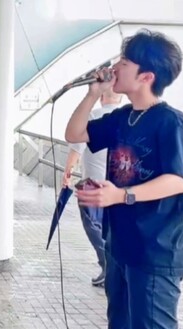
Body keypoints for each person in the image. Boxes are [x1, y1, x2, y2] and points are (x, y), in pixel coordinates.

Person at [65, 30, 183, 329]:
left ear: (147, 76)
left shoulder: (171, 122)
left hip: (155, 255)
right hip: (120, 248)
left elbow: (179, 179)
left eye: (125, 62)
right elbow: (74, 133)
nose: (115, 67)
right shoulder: (124, 117)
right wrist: (93, 93)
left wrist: (121, 194)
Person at [62, 89, 121, 287]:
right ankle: (112, 266)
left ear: (102, 97)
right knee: (112, 229)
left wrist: (67, 173)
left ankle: (107, 264)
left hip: (93, 185)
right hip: (117, 189)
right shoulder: (124, 119)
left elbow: (76, 147)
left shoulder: (93, 116)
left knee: (93, 226)